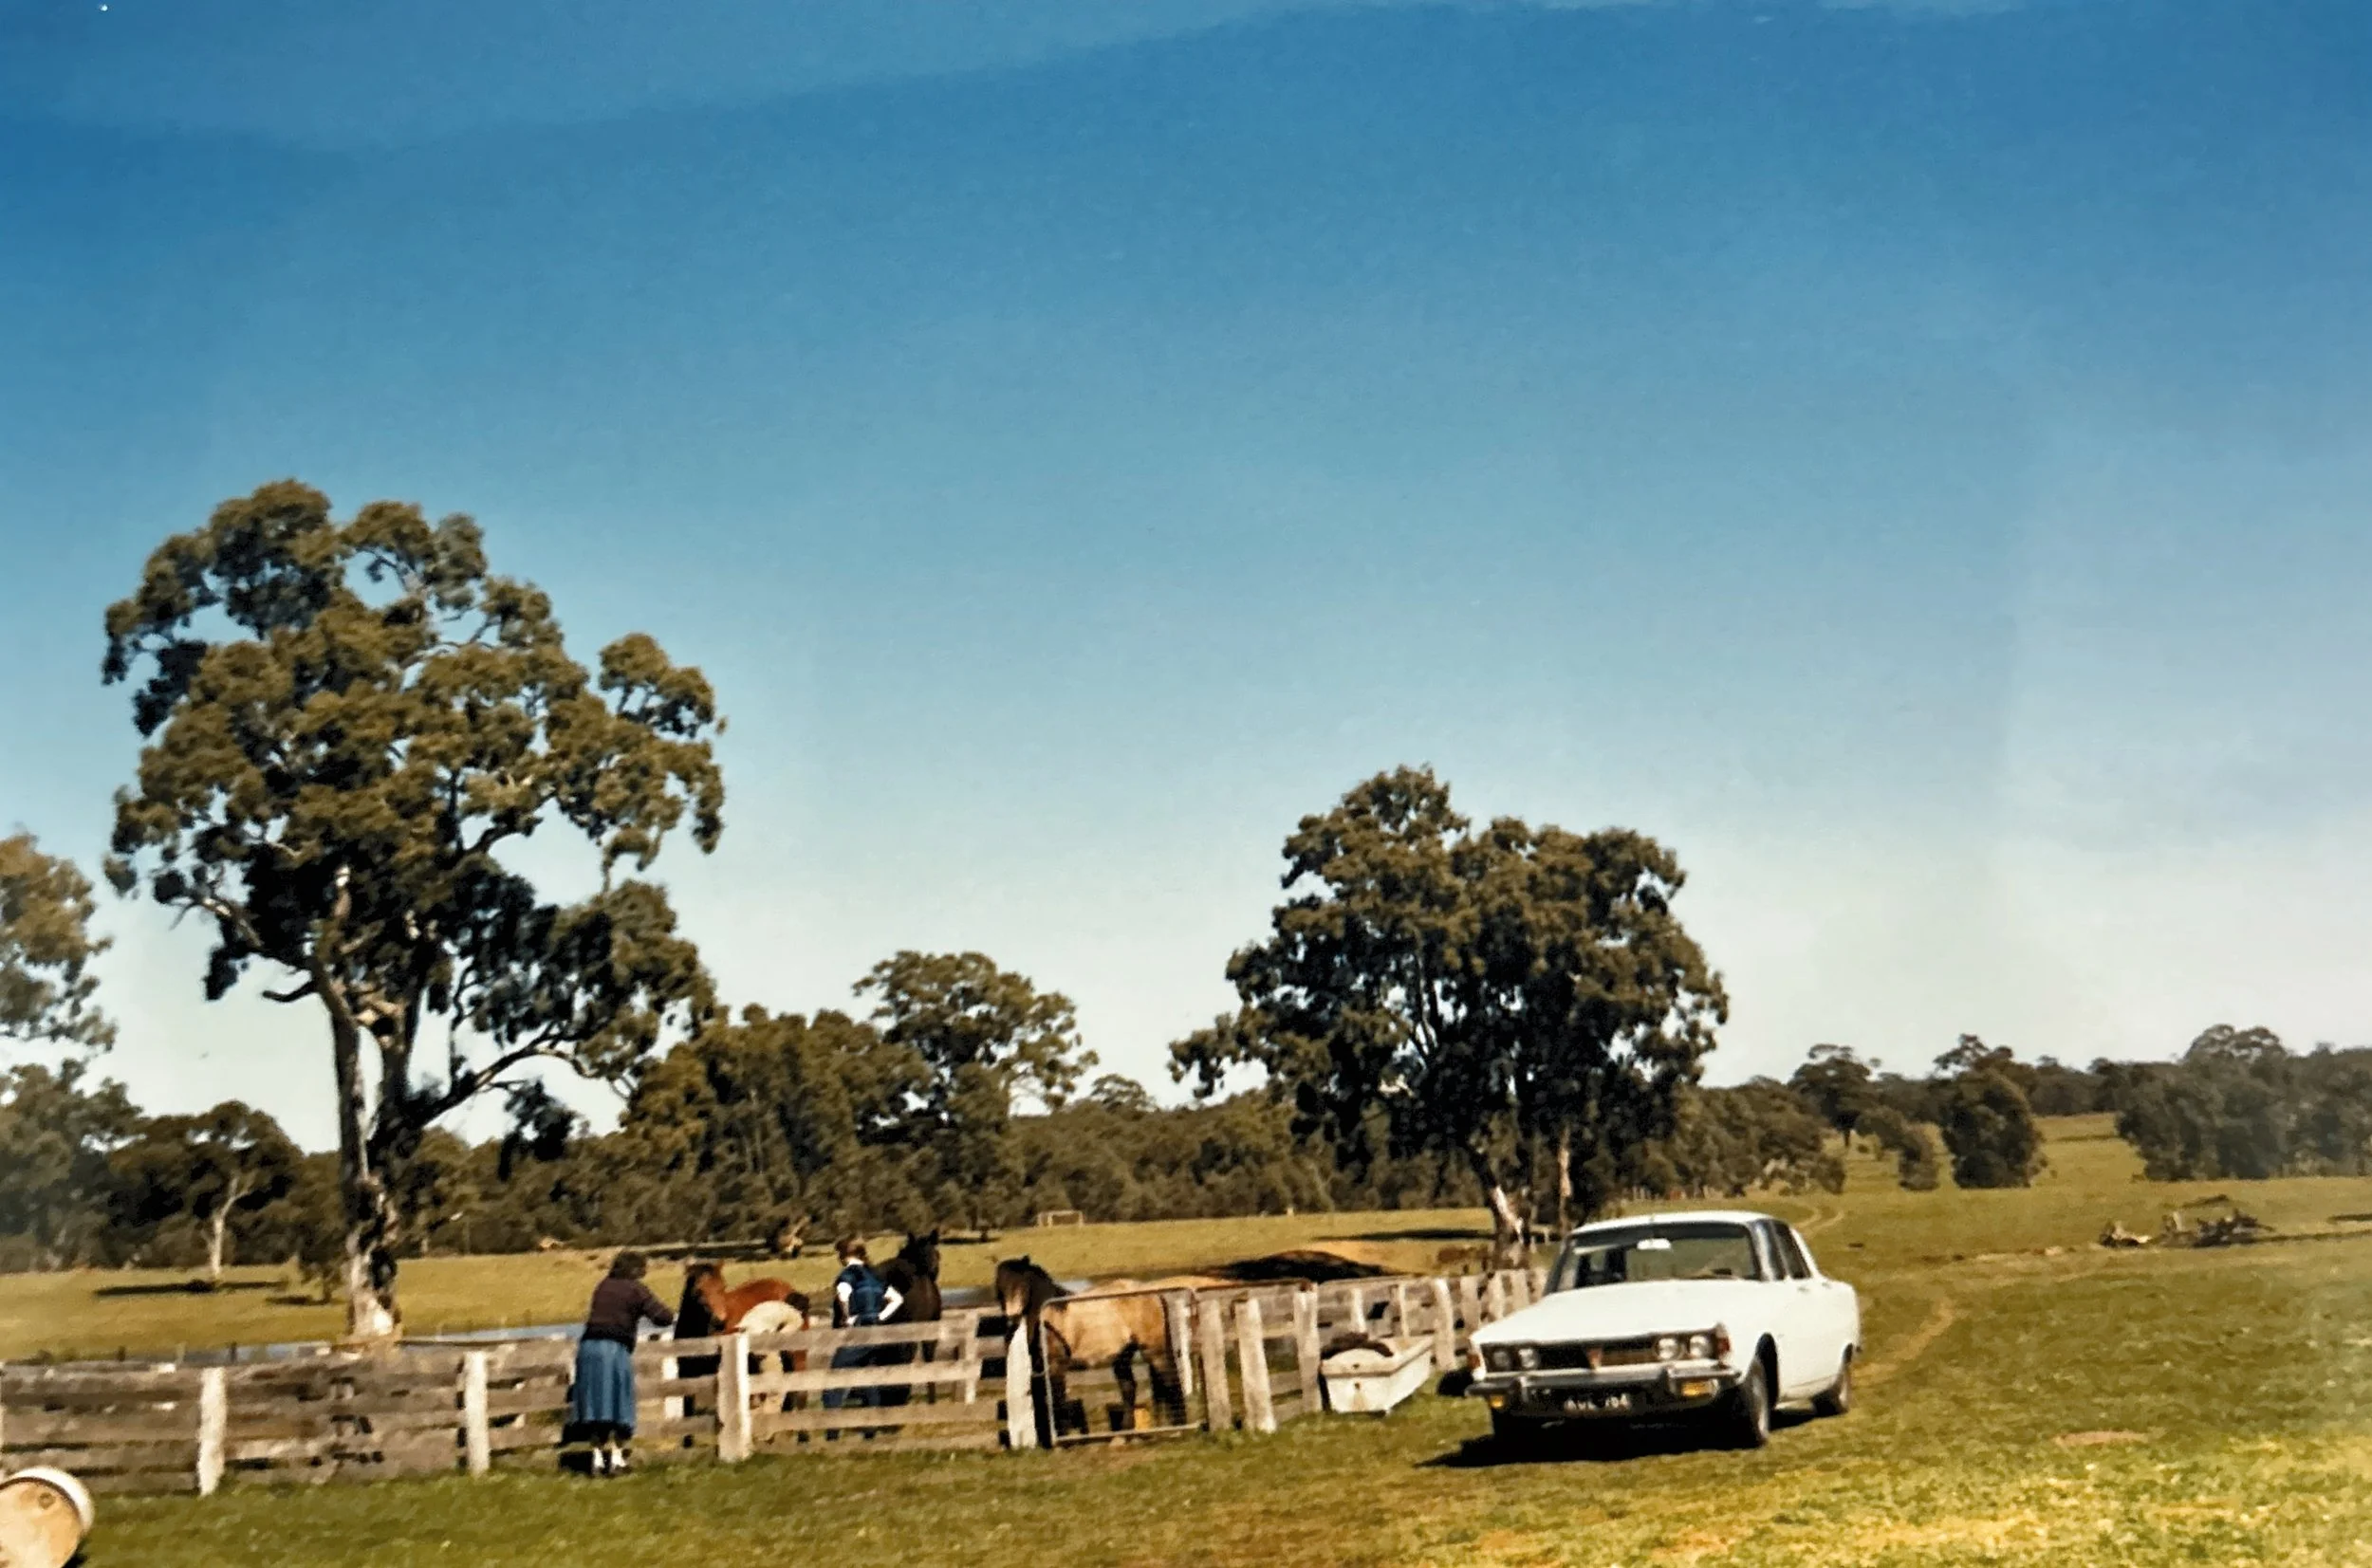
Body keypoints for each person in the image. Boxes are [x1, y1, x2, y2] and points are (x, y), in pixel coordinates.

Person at [571, 1250, 673, 1476]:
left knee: (596, 1407)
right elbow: (663, 1317)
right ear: (636, 1269)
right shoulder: (635, 1289)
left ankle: (597, 1460)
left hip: (588, 1349)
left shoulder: (603, 1285)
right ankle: (616, 1460)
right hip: (613, 1349)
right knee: (618, 1405)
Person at [824, 1237, 903, 1416]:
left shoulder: (847, 1275)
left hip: (858, 1330)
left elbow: (843, 1295)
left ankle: (831, 1426)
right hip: (876, 1331)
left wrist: (847, 1317)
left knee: (834, 1377)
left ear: (844, 1255)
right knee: (867, 1378)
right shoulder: (874, 1275)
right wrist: (880, 1316)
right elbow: (897, 1299)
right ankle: (871, 1426)